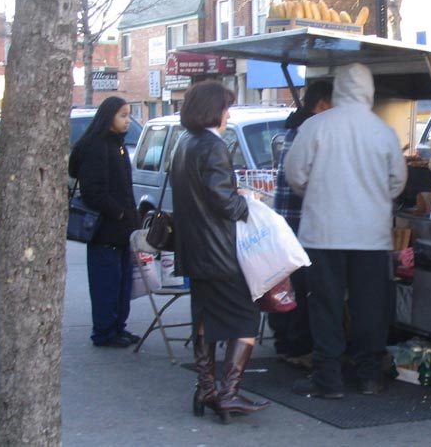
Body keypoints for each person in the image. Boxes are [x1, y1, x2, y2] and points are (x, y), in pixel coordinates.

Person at [284, 62, 407, 398]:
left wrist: (317, 191)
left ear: (338, 89)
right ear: (368, 90)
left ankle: (328, 379)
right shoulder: (383, 132)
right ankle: (369, 375)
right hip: (371, 235)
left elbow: (294, 174)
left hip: (323, 233)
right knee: (369, 306)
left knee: (326, 306)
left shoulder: (316, 126)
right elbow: (397, 181)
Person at [171, 81, 270, 423]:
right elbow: (221, 200)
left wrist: (233, 192)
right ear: (214, 110)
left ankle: (206, 389)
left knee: (204, 318)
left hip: (194, 249)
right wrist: (247, 201)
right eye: (226, 108)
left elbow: (203, 191)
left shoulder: (183, 143)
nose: (229, 114)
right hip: (219, 250)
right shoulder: (213, 145)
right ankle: (228, 392)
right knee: (246, 317)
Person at [270, 80, 333, 369]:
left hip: (287, 219)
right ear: (321, 105)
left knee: (288, 285)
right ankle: (296, 347)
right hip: (299, 220)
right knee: (300, 289)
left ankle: (284, 344)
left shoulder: (294, 129)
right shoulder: (308, 133)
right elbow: (306, 180)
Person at [68, 97, 141, 348]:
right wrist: (119, 213)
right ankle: (104, 332)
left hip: (123, 232)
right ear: (108, 116)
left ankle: (118, 327)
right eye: (122, 115)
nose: (127, 120)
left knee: (122, 285)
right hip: (105, 231)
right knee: (106, 285)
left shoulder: (118, 145)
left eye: (129, 115)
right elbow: (94, 191)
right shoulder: (98, 146)